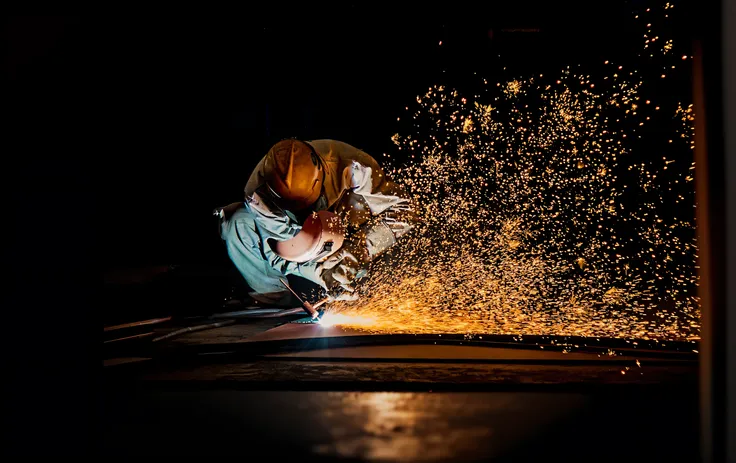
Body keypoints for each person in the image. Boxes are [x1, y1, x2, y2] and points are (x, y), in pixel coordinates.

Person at [216, 139, 417, 307]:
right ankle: (275, 301)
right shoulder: (258, 194)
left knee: (363, 212)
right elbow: (277, 254)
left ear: (320, 176)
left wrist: (360, 248)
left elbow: (406, 212)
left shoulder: (352, 165)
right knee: (236, 222)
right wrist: (322, 274)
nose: (303, 211)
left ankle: (359, 281)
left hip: (347, 226)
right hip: (301, 245)